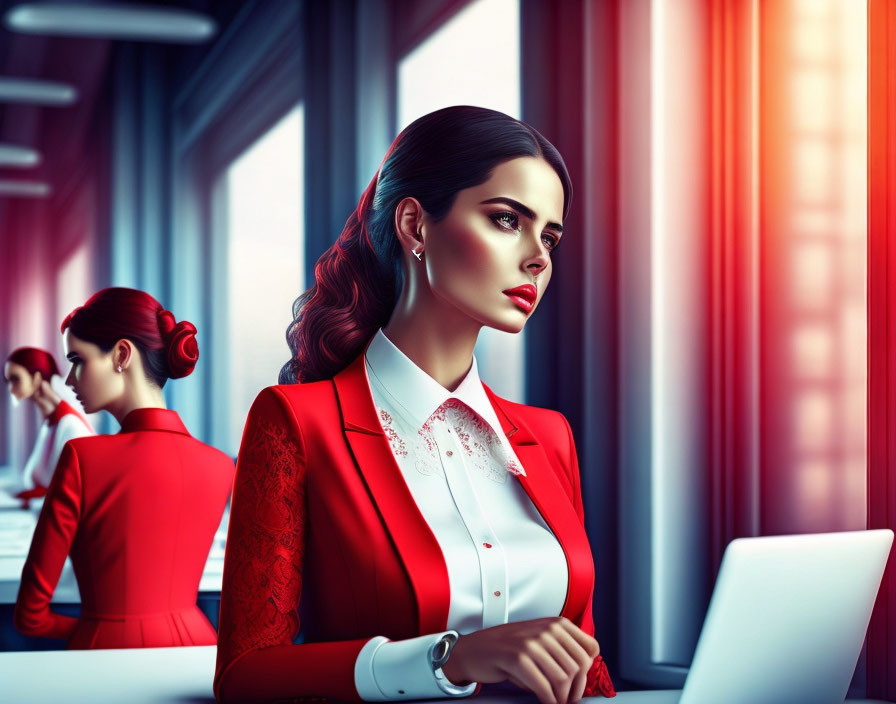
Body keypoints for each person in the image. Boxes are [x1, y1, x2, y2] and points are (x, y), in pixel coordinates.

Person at [215, 106, 616, 704]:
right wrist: (449, 659)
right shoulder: (298, 422)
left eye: (550, 236)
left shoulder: (547, 435)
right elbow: (246, 675)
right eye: (507, 219)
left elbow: (580, 659)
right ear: (415, 225)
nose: (539, 257)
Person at [14, 287, 235, 649]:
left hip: (105, 656)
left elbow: (31, 616)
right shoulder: (220, 465)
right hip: (200, 652)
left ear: (121, 354)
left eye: (77, 359)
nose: (69, 379)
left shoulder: (82, 458)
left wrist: (98, 630)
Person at [4, 347, 94, 504]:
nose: (10, 388)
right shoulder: (50, 423)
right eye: (8, 381)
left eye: (15, 379)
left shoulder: (71, 426)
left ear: (37, 378)